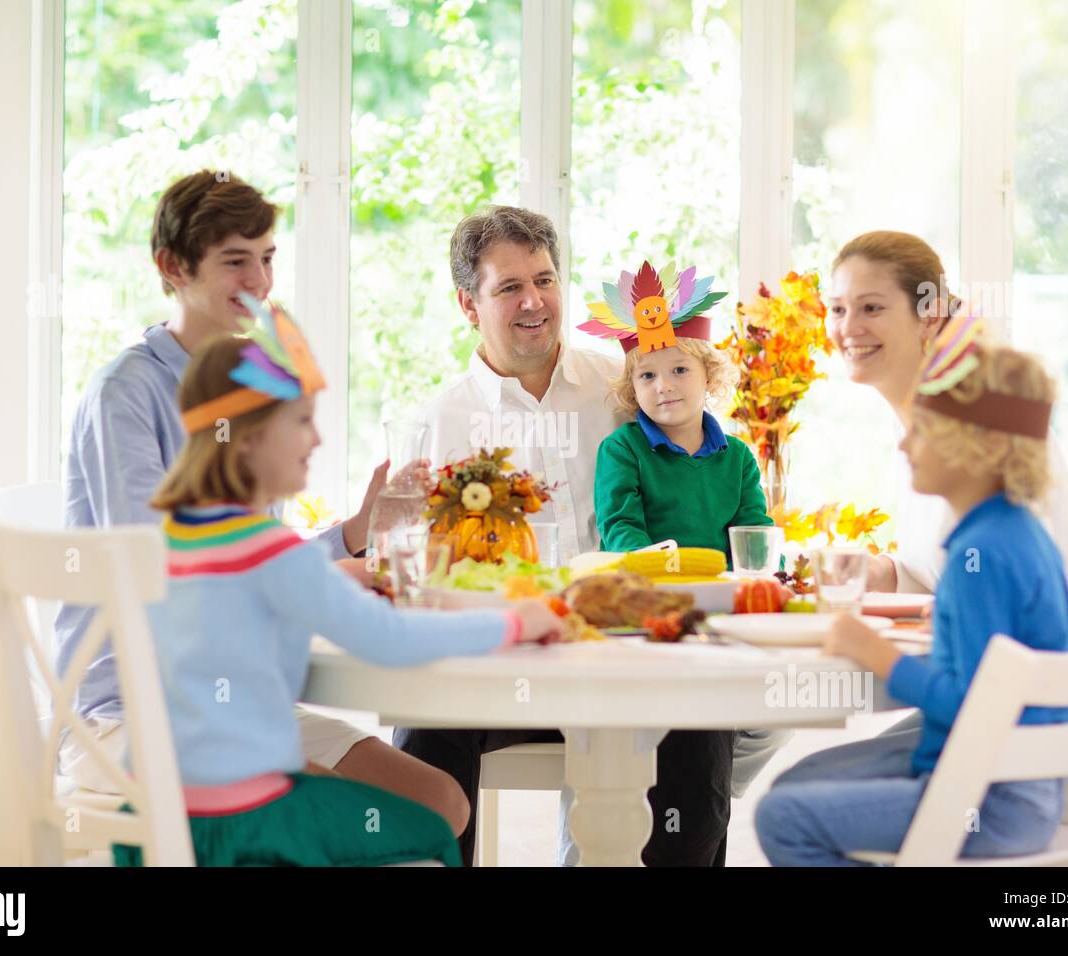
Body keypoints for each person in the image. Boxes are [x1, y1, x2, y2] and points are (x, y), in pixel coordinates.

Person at [55, 170, 469, 830]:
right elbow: (158, 570)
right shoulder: (125, 392)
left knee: (437, 801)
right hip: (136, 714)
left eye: (268, 258)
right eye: (235, 261)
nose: (261, 282)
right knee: (350, 817)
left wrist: (356, 532)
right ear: (172, 266)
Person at [396, 206, 777, 866]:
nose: (534, 301)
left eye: (544, 279)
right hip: (501, 666)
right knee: (427, 726)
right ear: (468, 304)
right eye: (508, 287)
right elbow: (409, 569)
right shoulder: (439, 424)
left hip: (631, 658)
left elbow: (707, 473)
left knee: (699, 727)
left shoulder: (626, 384)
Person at [112, 325, 560, 866]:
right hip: (244, 831)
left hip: (151, 822)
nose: (317, 441)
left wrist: (331, 580)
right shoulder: (274, 554)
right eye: (301, 423)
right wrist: (518, 622)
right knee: (439, 822)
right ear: (249, 438)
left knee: (406, 794)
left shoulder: (171, 539)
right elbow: (395, 640)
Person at [755, 322, 1068, 866]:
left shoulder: (979, 555)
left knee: (782, 816)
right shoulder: (1018, 533)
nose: (905, 442)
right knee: (801, 780)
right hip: (1025, 787)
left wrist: (876, 653)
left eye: (924, 428)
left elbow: (971, 706)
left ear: (980, 448)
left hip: (989, 796)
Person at [825, 231, 1068, 644]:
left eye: (871, 308)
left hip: (1031, 690)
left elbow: (1007, 583)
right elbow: (949, 573)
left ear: (931, 316)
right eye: (837, 308)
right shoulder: (915, 430)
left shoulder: (985, 426)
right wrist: (885, 572)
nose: (848, 328)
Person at [583, 259, 772, 557]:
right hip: (647, 592)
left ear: (708, 376)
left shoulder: (738, 458)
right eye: (648, 375)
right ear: (633, 388)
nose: (663, 386)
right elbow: (620, 526)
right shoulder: (622, 449)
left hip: (722, 592)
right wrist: (658, 575)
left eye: (680, 370)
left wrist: (772, 573)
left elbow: (754, 534)